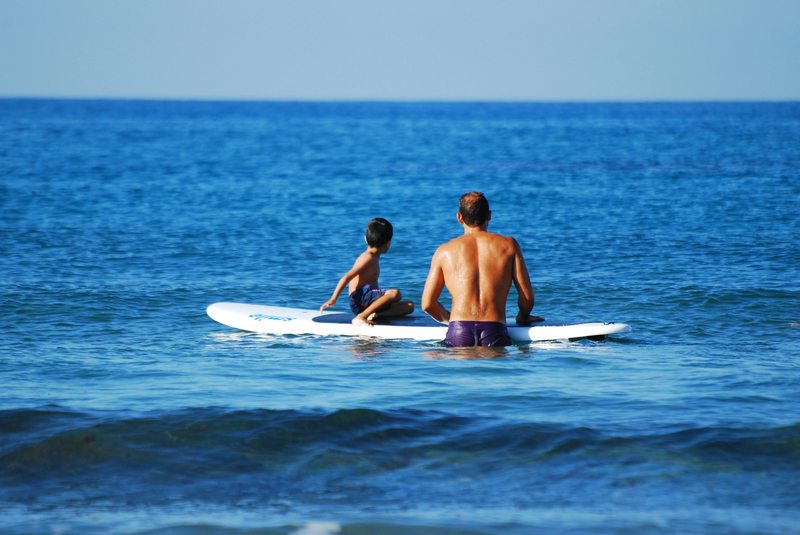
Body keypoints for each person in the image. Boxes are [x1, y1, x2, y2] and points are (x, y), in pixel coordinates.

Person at [421, 192, 543, 347]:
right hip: (494, 330)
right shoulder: (509, 245)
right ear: (489, 215)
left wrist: (450, 320)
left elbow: (427, 304)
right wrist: (523, 316)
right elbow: (527, 297)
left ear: (459, 217)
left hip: (459, 331)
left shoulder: (444, 251)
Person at [321, 217, 414, 326]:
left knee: (409, 306)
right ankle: (361, 316)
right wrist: (333, 299)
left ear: (365, 239)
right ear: (388, 243)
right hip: (360, 299)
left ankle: (377, 315)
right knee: (395, 293)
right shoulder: (367, 257)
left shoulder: (374, 257)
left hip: (368, 301)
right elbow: (347, 277)